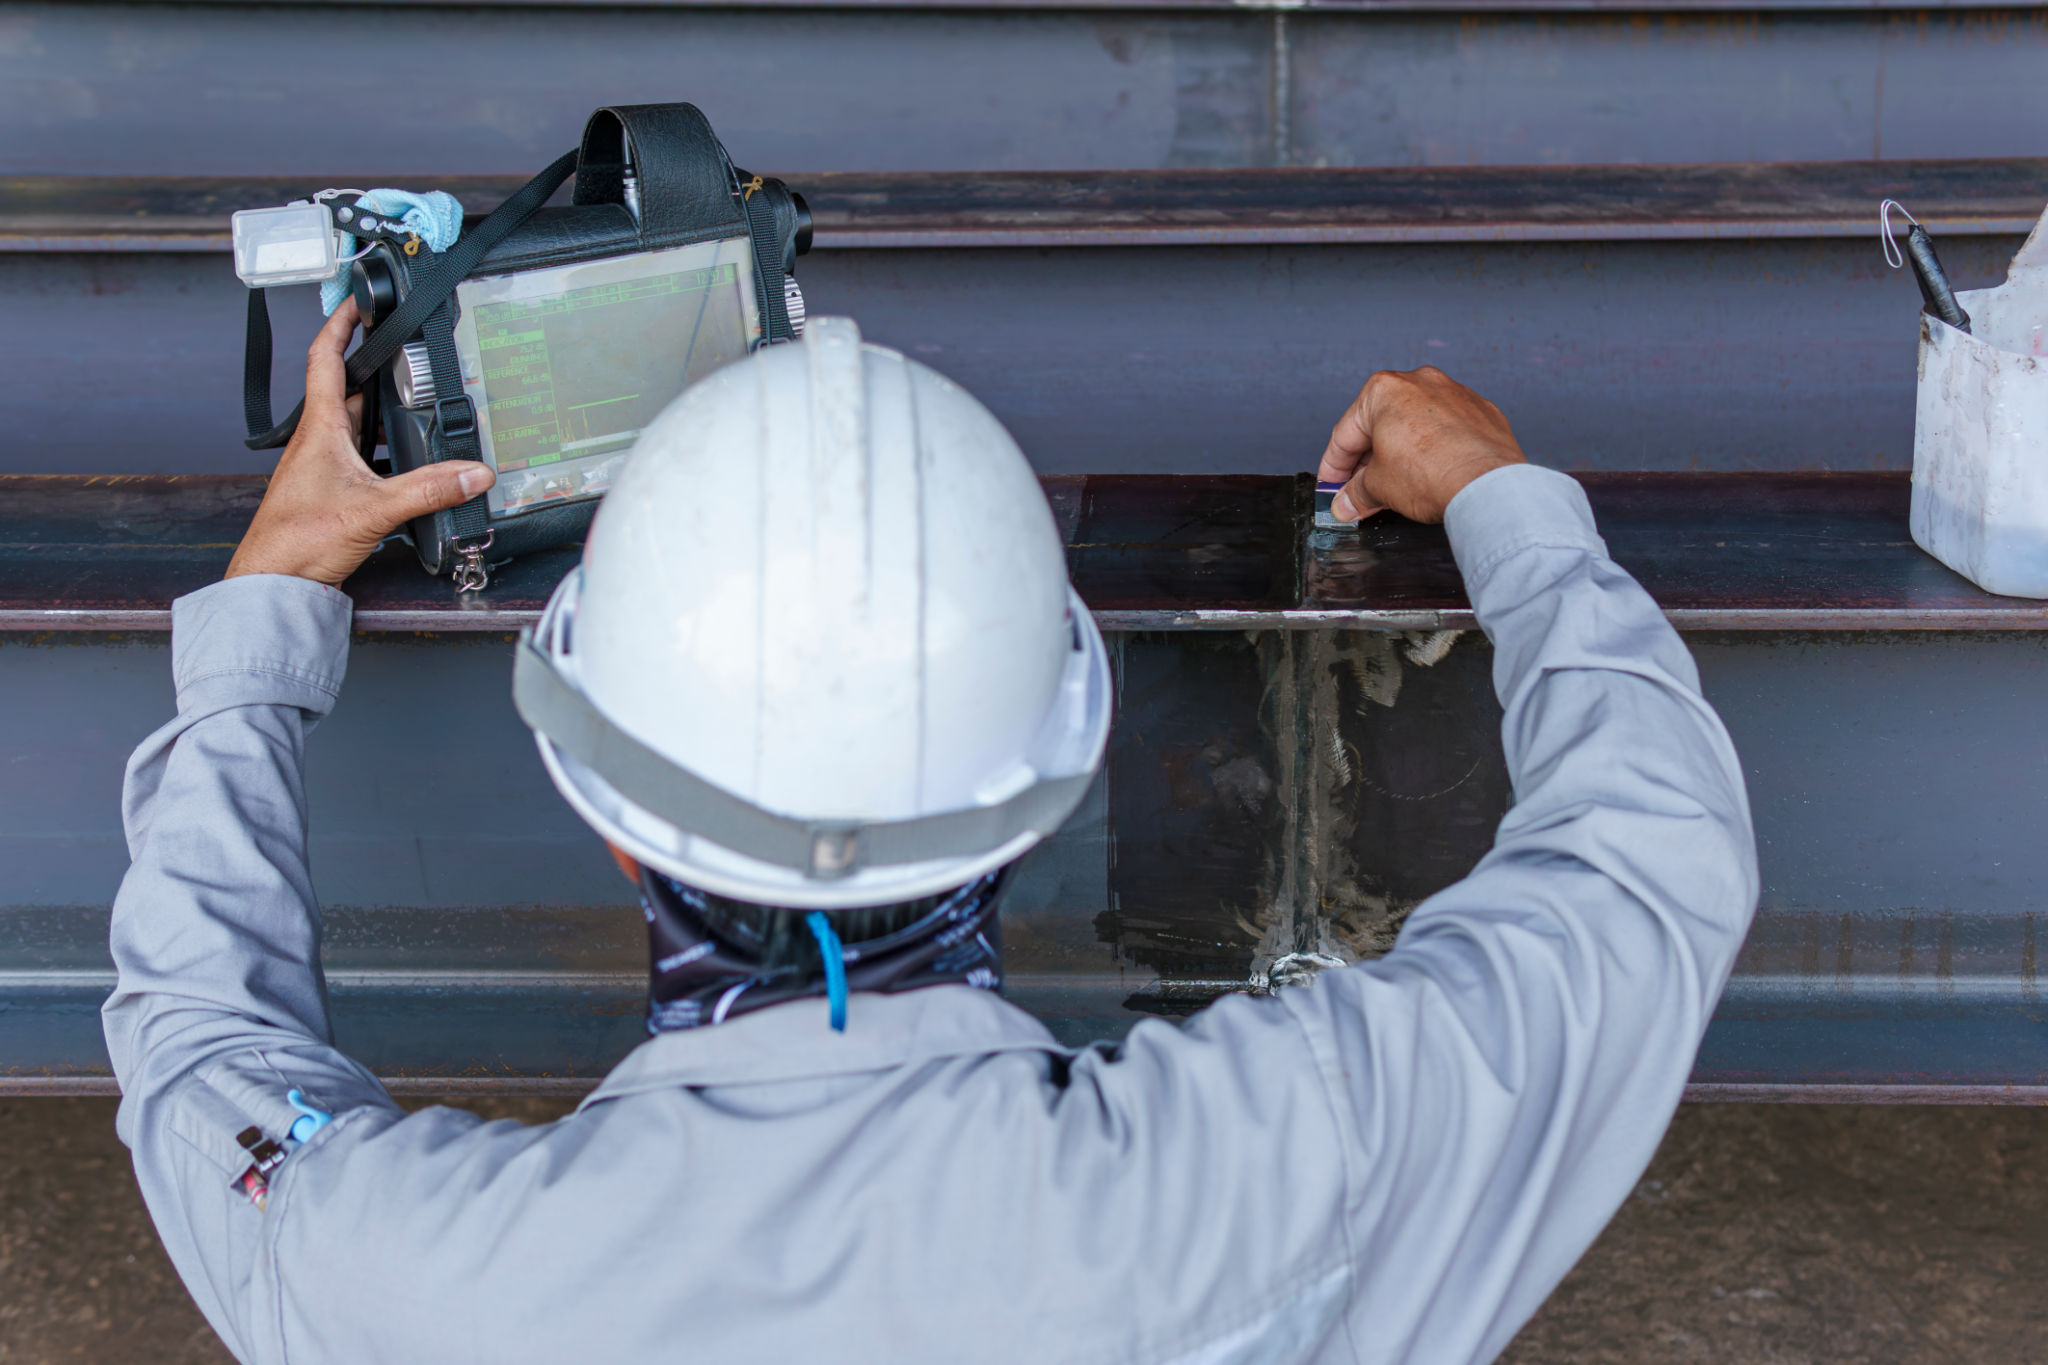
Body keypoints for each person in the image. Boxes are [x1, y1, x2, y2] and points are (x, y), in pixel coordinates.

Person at [105, 302, 1756, 1365]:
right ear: (1045, 792)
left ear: (611, 822)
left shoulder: (414, 1279)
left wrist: (264, 612)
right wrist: (1500, 493)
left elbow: (199, 1056)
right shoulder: (1292, 1157)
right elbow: (1651, 855)